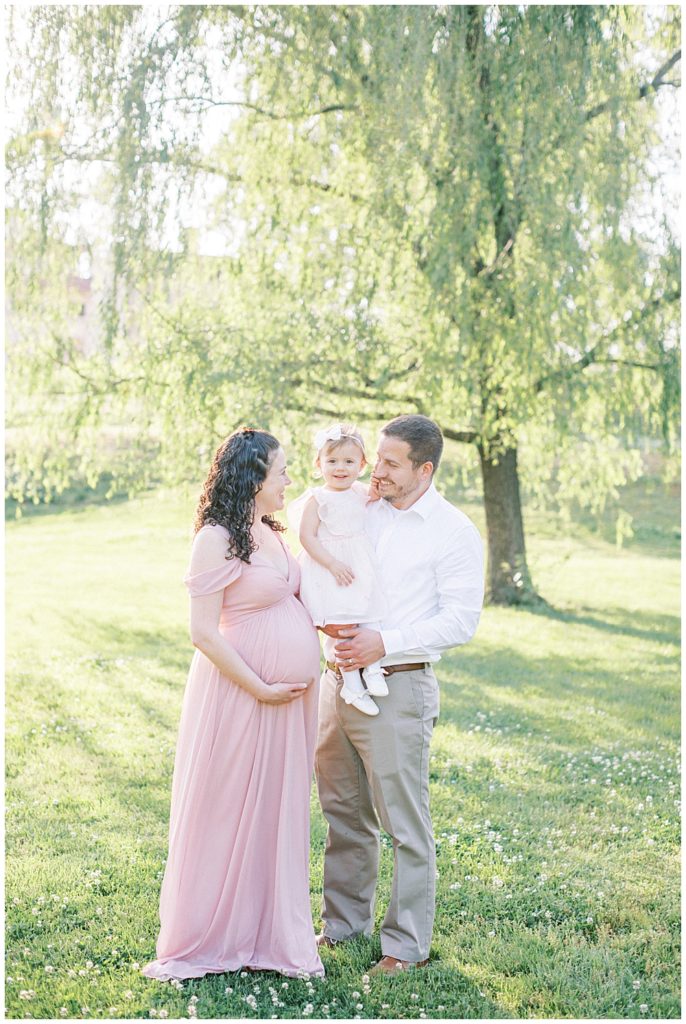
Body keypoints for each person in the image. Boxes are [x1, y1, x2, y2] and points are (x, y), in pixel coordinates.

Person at [143, 428, 324, 981]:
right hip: (239, 696)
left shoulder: (269, 531)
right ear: (253, 478)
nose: (290, 479)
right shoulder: (216, 538)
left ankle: (270, 933)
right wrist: (259, 686)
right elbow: (203, 632)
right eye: (282, 470)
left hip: (283, 702)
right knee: (224, 810)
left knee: (274, 811)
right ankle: (210, 934)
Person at [314, 414, 484, 975]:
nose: (375, 471)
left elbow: (460, 621)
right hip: (338, 680)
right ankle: (342, 925)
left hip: (399, 685)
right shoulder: (364, 508)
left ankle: (405, 945)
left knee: (403, 824)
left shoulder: (453, 532)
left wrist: (383, 641)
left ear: (424, 469)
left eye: (390, 464)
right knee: (343, 811)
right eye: (376, 458)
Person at [289, 424, 387, 716]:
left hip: (357, 564)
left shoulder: (360, 493)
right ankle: (352, 684)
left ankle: (372, 669)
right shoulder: (318, 499)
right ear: (319, 465)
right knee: (341, 624)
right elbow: (306, 537)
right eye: (332, 461)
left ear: (361, 465)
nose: (340, 468)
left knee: (368, 610)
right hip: (328, 567)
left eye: (348, 461)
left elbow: (379, 495)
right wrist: (331, 563)